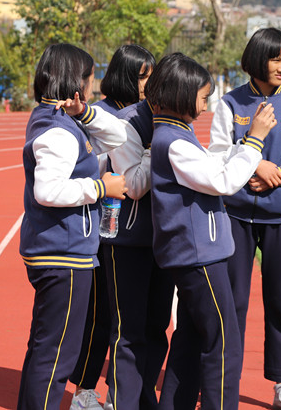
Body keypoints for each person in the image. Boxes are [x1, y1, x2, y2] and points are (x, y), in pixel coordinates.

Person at [148, 53, 276, 410]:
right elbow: (223, 182)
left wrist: (243, 149)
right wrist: (255, 141)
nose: (205, 107)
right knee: (224, 345)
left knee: (190, 341)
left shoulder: (175, 133)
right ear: (181, 95)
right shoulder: (172, 141)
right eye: (203, 98)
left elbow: (212, 166)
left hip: (197, 253)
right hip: (198, 255)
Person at [209, 28, 281, 410]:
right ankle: (224, 384)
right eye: (275, 59)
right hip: (235, 217)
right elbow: (219, 153)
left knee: (279, 302)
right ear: (256, 60)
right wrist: (255, 162)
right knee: (232, 303)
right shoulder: (230, 103)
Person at [18, 43, 128, 410]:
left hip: (62, 248)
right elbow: (48, 190)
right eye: (90, 79)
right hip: (62, 253)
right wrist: (100, 187)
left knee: (49, 347)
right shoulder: (58, 131)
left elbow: (118, 137)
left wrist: (86, 113)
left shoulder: (59, 119)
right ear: (75, 82)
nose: (95, 87)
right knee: (56, 354)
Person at [70, 44, 158, 410]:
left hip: (135, 224)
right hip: (103, 222)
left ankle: (120, 390)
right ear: (125, 75)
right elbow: (97, 165)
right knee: (101, 312)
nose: (148, 84)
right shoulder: (100, 114)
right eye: (143, 76)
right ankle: (84, 389)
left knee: (133, 316)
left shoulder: (144, 114)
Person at [98, 47, 174, 410]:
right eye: (145, 77)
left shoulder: (173, 119)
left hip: (165, 237)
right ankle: (122, 403)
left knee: (158, 329)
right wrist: (156, 146)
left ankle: (143, 401)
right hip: (127, 240)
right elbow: (134, 184)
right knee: (129, 333)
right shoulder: (126, 123)